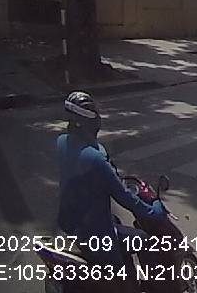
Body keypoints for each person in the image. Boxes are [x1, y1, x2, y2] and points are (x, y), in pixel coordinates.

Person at [57, 91, 166, 286]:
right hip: (97, 235)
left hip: (72, 224)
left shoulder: (62, 143)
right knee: (144, 239)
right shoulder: (96, 160)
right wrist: (155, 210)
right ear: (91, 122)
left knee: (116, 221)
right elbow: (125, 198)